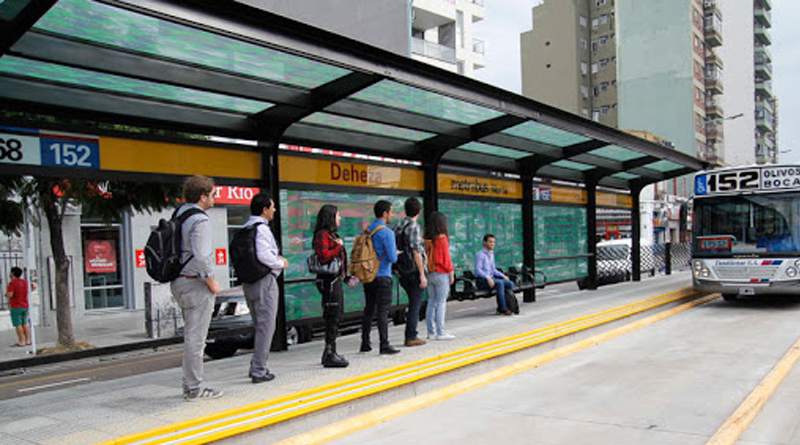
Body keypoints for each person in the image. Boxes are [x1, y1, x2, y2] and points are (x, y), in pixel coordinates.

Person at [170, 175, 222, 401]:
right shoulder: (200, 220)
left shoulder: (180, 214)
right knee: (196, 338)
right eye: (212, 194)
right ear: (203, 196)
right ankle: (194, 388)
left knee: (192, 335)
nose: (215, 198)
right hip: (195, 283)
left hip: (180, 282)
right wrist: (211, 280)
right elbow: (201, 255)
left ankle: (189, 384)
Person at [243, 193, 289, 382]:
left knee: (259, 325)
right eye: (272, 207)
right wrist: (280, 262)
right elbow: (264, 255)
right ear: (265, 210)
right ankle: (259, 370)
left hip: (249, 282)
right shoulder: (261, 229)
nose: (275, 210)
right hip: (264, 282)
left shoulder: (246, 227)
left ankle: (257, 365)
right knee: (266, 326)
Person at [312, 204, 351, 368]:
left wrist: (347, 276)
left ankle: (331, 351)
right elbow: (324, 256)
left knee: (337, 314)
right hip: (328, 281)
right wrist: (338, 246)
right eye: (337, 215)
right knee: (332, 315)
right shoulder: (322, 235)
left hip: (336, 279)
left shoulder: (331, 235)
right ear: (330, 217)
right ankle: (329, 353)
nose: (340, 218)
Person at [360, 200, 400, 355]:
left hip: (368, 275)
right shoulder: (387, 232)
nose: (392, 215)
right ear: (385, 213)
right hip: (383, 275)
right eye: (391, 212)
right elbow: (392, 257)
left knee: (368, 310)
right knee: (383, 311)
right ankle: (384, 344)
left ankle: (365, 342)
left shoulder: (368, 230)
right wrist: (396, 254)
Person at [393, 198, 428, 347]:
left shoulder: (398, 225)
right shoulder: (413, 226)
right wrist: (422, 274)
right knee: (415, 303)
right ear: (419, 211)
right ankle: (411, 336)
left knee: (413, 301)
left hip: (402, 269)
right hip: (413, 270)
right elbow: (416, 251)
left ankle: (411, 334)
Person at [424, 212, 455, 340]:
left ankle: (430, 332)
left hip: (430, 273)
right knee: (441, 302)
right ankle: (441, 332)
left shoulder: (426, 238)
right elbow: (446, 259)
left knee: (431, 302)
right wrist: (451, 273)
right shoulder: (442, 238)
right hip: (441, 273)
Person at [474, 234, 515, 316]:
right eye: (490, 242)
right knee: (500, 283)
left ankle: (509, 305)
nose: (492, 244)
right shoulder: (480, 254)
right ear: (484, 243)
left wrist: (503, 276)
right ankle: (503, 309)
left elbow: (493, 269)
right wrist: (488, 278)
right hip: (482, 281)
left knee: (510, 283)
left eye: (493, 242)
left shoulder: (491, 254)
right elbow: (478, 270)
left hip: (491, 279)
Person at [5, 267, 32, 347]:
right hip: (25, 305)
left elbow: (10, 294)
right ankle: (28, 340)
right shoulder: (25, 282)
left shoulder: (12, 283)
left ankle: (21, 341)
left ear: (13, 273)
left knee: (18, 324)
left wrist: (6, 295)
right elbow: (32, 287)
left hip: (16, 306)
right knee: (25, 323)